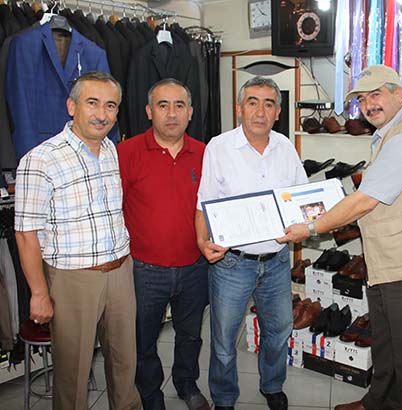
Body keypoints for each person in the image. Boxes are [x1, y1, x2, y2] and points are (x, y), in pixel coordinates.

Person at [281, 65, 402, 410]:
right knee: (386, 341)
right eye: (361, 99)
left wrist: (312, 227)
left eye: (376, 94)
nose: (368, 105)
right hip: (389, 256)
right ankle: (376, 402)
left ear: (398, 93)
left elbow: (366, 200)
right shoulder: (392, 131)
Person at [14, 71, 141, 410]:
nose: (102, 114)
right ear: (72, 106)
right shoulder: (40, 160)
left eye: (110, 105)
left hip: (120, 271)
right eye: (92, 103)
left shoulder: (111, 149)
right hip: (73, 279)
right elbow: (25, 233)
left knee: (125, 366)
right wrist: (39, 293)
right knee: (73, 376)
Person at [195, 76, 307, 410]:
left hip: (276, 261)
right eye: (253, 102)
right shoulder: (219, 147)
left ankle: (272, 385)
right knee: (224, 339)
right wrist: (202, 241)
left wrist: (307, 223)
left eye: (269, 104)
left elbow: (301, 199)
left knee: (279, 329)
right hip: (233, 262)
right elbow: (204, 203)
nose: (260, 111)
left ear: (278, 112)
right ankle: (224, 397)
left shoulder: (285, 148)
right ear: (239, 108)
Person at [118, 79, 210, 410]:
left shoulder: (205, 154)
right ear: (148, 111)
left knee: (190, 336)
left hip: (195, 267)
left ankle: (186, 383)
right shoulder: (125, 153)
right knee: (143, 340)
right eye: (163, 105)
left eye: (179, 105)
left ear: (190, 112)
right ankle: (151, 395)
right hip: (144, 271)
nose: (172, 114)